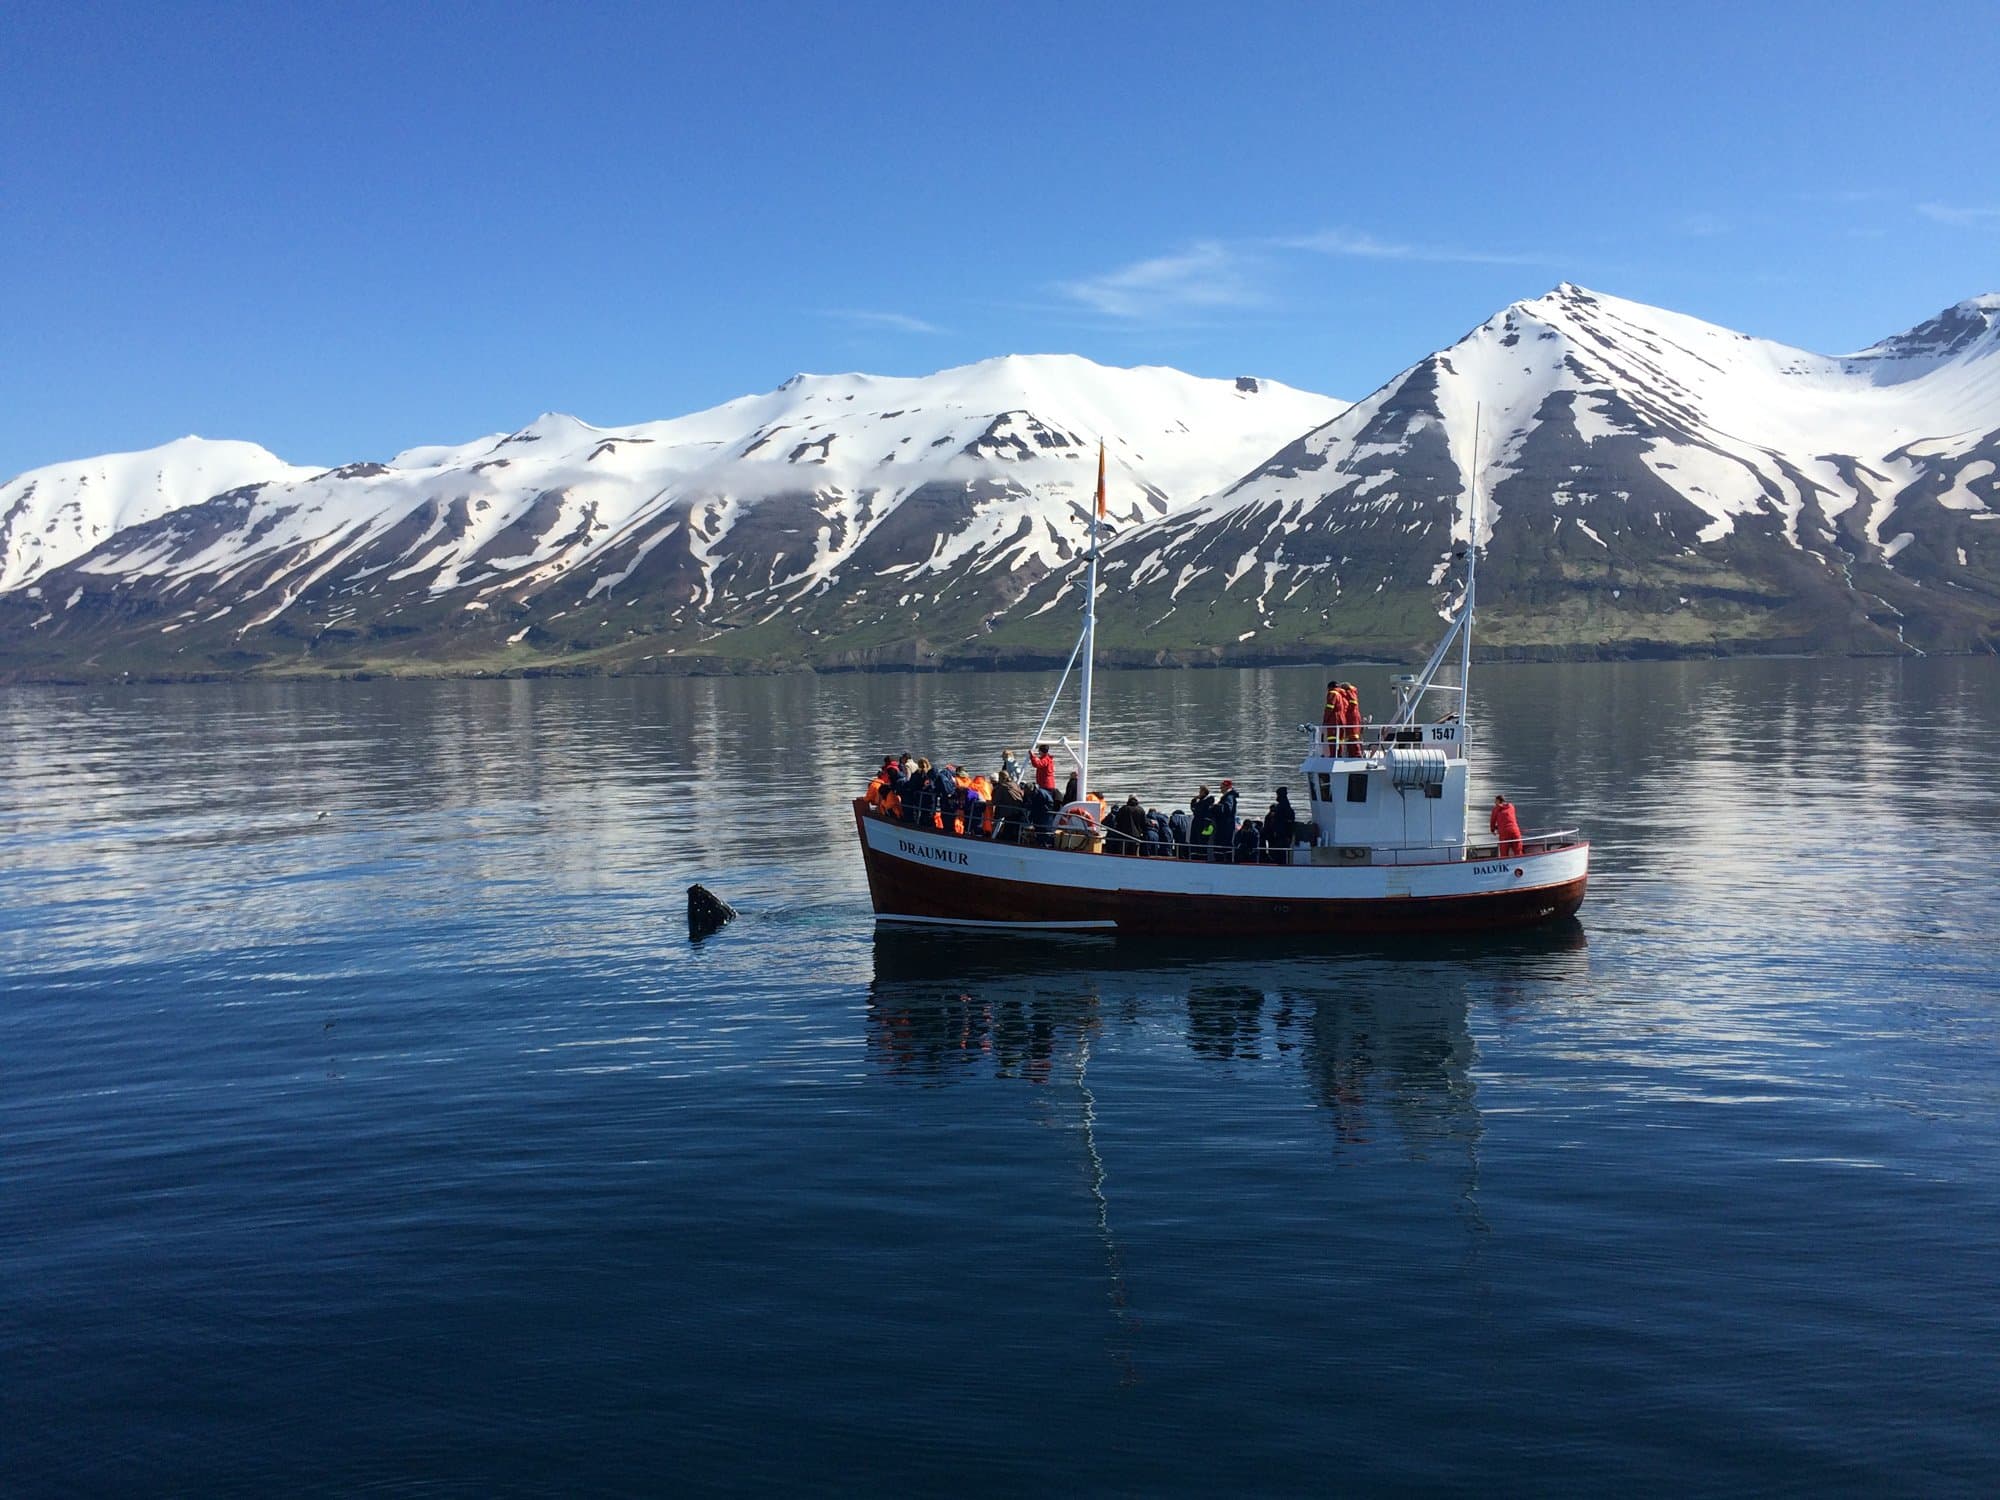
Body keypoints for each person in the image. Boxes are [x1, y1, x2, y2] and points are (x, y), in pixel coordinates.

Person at [1263, 787, 1297, 861]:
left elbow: (1281, 821)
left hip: (1281, 834)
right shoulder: (1285, 806)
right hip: (1281, 834)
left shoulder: (1282, 807)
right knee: (1280, 852)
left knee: (1278, 853)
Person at [991, 773, 1025, 842]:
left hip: (1009, 812)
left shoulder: (1002, 787)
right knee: (1015, 828)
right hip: (1019, 810)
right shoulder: (1014, 784)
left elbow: (995, 801)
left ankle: (1006, 841)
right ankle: (1017, 840)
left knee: (1008, 828)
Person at [1024, 783, 1057, 847]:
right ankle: (1040, 843)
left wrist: (1044, 809)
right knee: (1039, 829)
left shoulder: (1040, 793)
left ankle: (1047, 844)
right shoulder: (1034, 793)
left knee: (1044, 830)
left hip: (1044, 815)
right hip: (1038, 815)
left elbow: (1049, 803)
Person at [1190, 786, 1217, 861]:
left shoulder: (1208, 801)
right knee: (1196, 841)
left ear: (1204, 792)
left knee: (1202, 841)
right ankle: (1196, 856)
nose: (1199, 793)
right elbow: (1194, 809)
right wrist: (1194, 801)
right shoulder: (1202, 801)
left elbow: (1197, 810)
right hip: (1200, 824)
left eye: (1200, 792)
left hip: (1205, 825)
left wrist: (1194, 801)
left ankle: (1202, 858)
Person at [1215, 780, 1239, 860]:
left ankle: (1223, 859)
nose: (1220, 788)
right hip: (1225, 824)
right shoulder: (1228, 797)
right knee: (1225, 843)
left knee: (1224, 843)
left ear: (1227, 787)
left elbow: (1227, 809)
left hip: (1226, 825)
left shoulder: (1229, 797)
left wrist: (1216, 806)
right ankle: (1225, 858)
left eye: (1222, 787)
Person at [1321, 680, 1342, 755]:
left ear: (1329, 688)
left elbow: (1329, 707)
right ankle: (1339, 754)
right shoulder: (1340, 694)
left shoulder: (1332, 693)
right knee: (1340, 738)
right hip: (1340, 718)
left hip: (1334, 719)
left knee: (1332, 738)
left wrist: (1325, 720)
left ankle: (1333, 754)